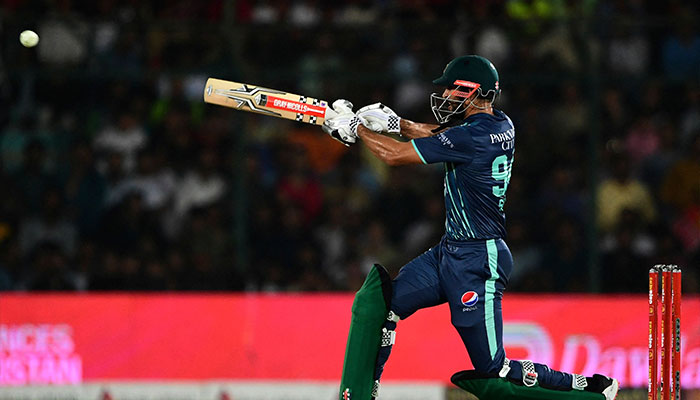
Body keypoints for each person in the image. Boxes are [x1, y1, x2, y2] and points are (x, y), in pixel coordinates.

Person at [322, 55, 619, 400]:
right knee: (380, 304)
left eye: (450, 87)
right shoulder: (500, 124)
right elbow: (448, 136)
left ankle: (590, 390)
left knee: (496, 371)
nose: (445, 93)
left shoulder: (471, 138)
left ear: (470, 89)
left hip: (479, 261)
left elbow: (394, 157)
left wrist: (355, 130)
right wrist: (397, 123)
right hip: (450, 251)